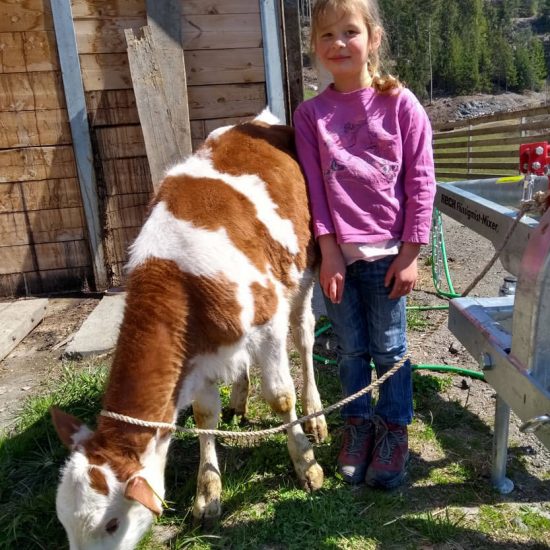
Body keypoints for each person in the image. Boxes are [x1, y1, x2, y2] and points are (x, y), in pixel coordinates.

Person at [294, 0, 435, 488]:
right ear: (315, 46)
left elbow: (421, 181)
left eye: (349, 32)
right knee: (351, 349)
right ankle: (357, 425)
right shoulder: (311, 115)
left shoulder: (400, 104)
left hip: (389, 255)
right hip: (341, 259)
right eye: (326, 35)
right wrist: (328, 251)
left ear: (373, 38)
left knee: (390, 346)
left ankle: (394, 430)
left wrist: (412, 253)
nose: (338, 43)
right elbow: (314, 186)